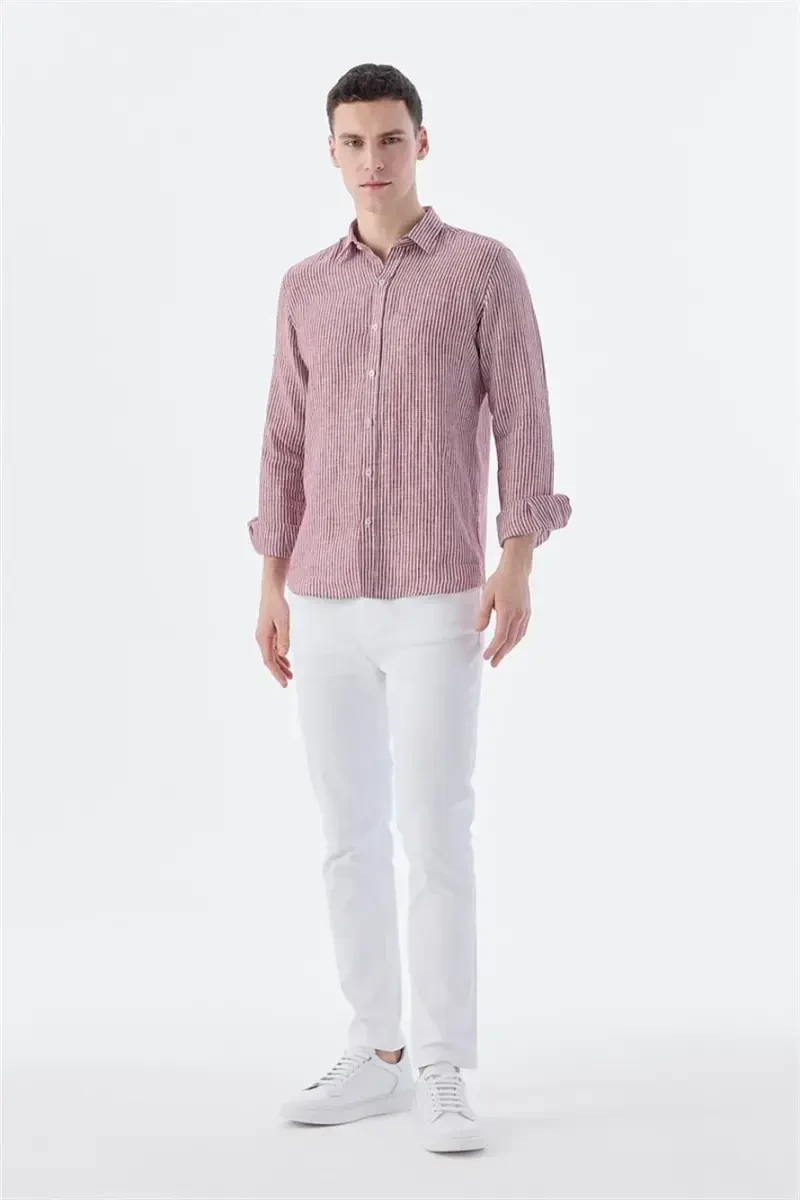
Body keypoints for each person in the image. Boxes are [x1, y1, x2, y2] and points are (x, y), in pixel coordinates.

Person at [247, 62, 572, 1154]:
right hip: (323, 595)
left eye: (390, 139)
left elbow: (523, 417)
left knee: (434, 828)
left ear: (421, 144)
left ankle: (441, 1064)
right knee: (346, 835)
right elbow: (284, 438)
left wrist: (517, 560)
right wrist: (271, 581)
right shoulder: (304, 287)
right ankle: (374, 1051)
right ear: (331, 153)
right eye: (354, 142)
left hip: (439, 591)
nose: (372, 160)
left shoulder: (482, 270)